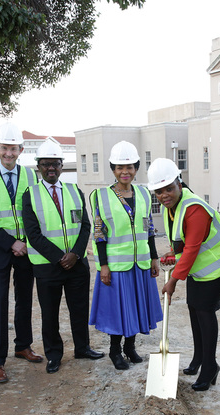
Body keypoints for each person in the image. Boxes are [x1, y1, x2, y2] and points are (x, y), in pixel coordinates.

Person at [148, 158, 220, 392]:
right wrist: (172, 253)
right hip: (200, 266)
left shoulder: (194, 208)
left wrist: (173, 281)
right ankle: (199, 359)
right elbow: (182, 242)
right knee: (193, 307)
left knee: (204, 310)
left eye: (169, 188)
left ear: (179, 182)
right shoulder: (173, 208)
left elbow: (191, 249)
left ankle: (210, 367)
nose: (164, 195)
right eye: (159, 191)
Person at [23, 140, 104, 374]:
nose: (51, 169)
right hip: (48, 267)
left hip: (77, 265)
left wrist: (76, 254)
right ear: (38, 166)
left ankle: (82, 347)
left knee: (79, 309)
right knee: (50, 314)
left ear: (61, 166)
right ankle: (54, 354)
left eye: (56, 164)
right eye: (46, 164)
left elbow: (86, 226)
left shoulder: (73, 191)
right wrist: (60, 257)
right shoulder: (31, 195)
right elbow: (33, 234)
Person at [0, 123, 42, 385]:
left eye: (13, 149)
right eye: (4, 148)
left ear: (21, 150)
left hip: (26, 248)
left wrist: (24, 242)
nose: (9, 153)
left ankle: (22, 345)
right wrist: (10, 243)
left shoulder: (30, 175)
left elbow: (35, 212)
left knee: (24, 299)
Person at [89, 141, 163, 370]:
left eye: (130, 167)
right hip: (116, 266)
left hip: (140, 263)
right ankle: (115, 351)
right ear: (112, 169)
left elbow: (148, 228)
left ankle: (130, 347)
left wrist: (154, 257)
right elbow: (99, 234)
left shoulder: (143, 193)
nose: (125, 172)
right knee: (119, 311)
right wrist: (103, 266)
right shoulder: (100, 196)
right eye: (120, 167)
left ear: (136, 168)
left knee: (136, 307)